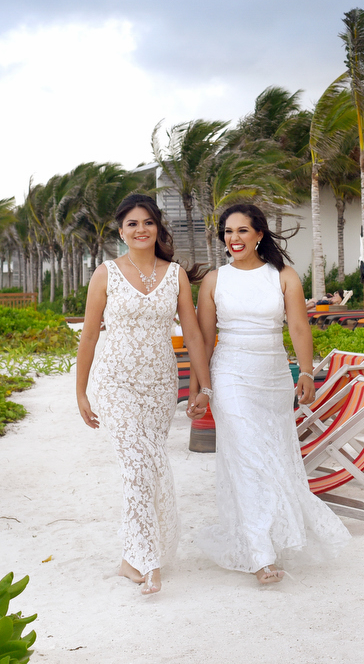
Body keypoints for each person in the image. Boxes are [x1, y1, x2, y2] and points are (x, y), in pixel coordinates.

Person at [193, 203, 350, 584]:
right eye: (228, 232)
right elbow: (203, 340)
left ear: (259, 234)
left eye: (242, 231)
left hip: (274, 378)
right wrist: (201, 388)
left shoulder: (284, 276)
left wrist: (307, 372)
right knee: (248, 457)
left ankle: (265, 538)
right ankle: (261, 554)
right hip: (230, 375)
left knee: (272, 455)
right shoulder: (215, 280)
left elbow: (298, 327)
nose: (234, 239)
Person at [75, 193, 210, 596]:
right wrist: (80, 391)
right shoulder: (105, 274)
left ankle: (130, 558)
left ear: (157, 228)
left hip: (159, 384)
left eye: (147, 222)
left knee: (151, 466)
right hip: (114, 382)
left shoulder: (175, 275)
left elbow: (193, 334)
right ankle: (144, 560)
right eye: (132, 224)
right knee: (134, 466)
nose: (140, 229)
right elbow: (88, 334)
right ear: (121, 231)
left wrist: (202, 386)